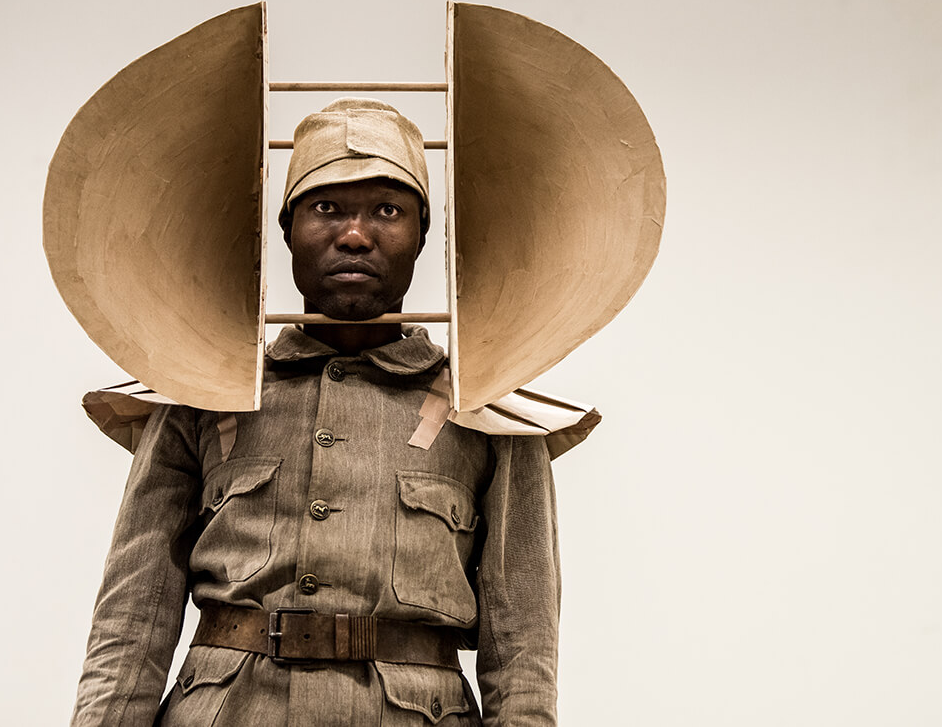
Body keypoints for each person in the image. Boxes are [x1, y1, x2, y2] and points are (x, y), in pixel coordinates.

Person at [72, 98, 593, 726]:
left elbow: (525, 637)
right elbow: (133, 617)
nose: (354, 233)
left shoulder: (484, 406)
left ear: (423, 235)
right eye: (326, 208)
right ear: (287, 228)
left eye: (387, 210)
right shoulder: (201, 392)